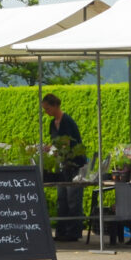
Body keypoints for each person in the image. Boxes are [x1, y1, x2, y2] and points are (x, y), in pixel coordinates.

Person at [41, 93, 85, 241]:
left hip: (74, 164)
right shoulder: (52, 124)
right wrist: (49, 148)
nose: (46, 112)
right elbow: (56, 144)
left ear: (55, 106)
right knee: (62, 198)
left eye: (47, 108)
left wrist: (56, 149)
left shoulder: (67, 122)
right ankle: (62, 231)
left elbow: (67, 144)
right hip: (62, 164)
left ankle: (73, 232)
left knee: (73, 198)